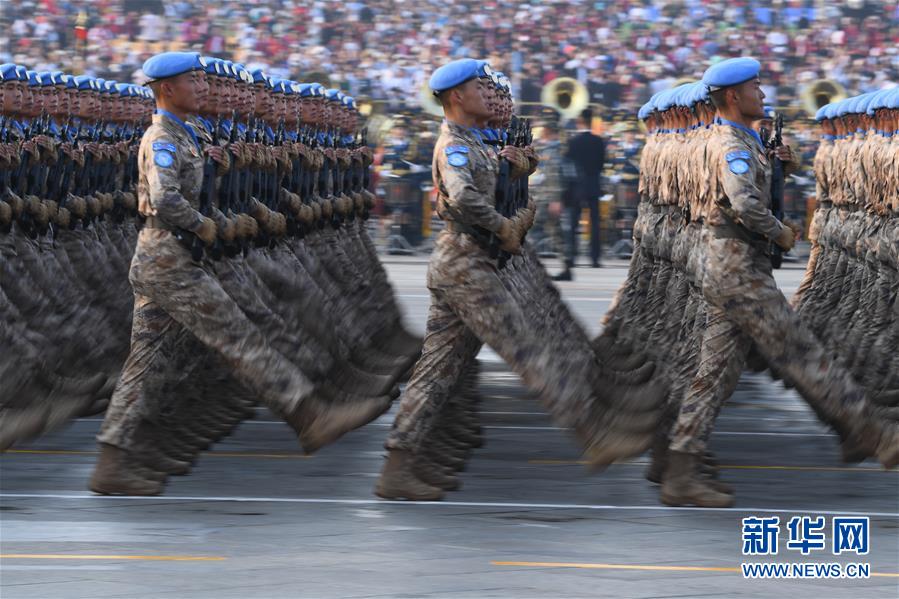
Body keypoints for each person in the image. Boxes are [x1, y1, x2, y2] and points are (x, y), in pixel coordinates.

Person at [90, 52, 387, 496]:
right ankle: (310, 415)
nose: (204, 87)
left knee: (148, 363)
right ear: (167, 89)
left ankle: (114, 461)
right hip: (170, 259)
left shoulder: (188, 133)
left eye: (203, 80)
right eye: (194, 81)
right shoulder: (162, 137)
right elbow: (165, 198)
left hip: (169, 257)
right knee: (239, 335)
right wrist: (204, 225)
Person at [660, 57, 898, 508]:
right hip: (739, 270)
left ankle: (679, 470)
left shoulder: (739, 139)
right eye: (756, 87)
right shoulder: (730, 143)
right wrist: (780, 232)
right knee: (800, 351)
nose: (763, 94)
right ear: (734, 96)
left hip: (728, 267)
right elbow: (743, 203)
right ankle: (876, 435)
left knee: (715, 373)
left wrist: (778, 169)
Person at [555, 107, 605, 281]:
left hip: (576, 188)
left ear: (580, 121)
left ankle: (572, 257)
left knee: (573, 224)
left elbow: (567, 166)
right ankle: (595, 258)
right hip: (593, 185)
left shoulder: (573, 142)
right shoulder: (599, 141)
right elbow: (601, 164)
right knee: (595, 223)